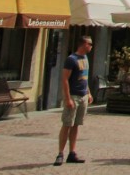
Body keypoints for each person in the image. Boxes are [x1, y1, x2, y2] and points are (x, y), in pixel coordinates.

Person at [54, 35, 94, 166]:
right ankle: (60, 153)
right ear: (83, 44)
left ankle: (72, 152)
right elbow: (65, 79)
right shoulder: (71, 59)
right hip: (73, 96)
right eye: (90, 44)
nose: (91, 46)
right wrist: (67, 98)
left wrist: (88, 92)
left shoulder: (85, 58)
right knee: (67, 124)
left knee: (76, 125)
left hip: (83, 96)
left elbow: (84, 77)